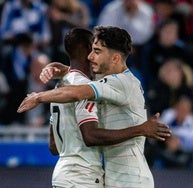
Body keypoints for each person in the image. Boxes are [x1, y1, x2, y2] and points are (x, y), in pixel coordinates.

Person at [18, 26, 170, 187]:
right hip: (98, 178)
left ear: (115, 59)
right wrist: (58, 69)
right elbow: (77, 77)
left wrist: (39, 96)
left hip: (130, 179)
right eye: (91, 51)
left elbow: (78, 93)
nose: (91, 57)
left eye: (97, 51)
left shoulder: (123, 83)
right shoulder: (92, 82)